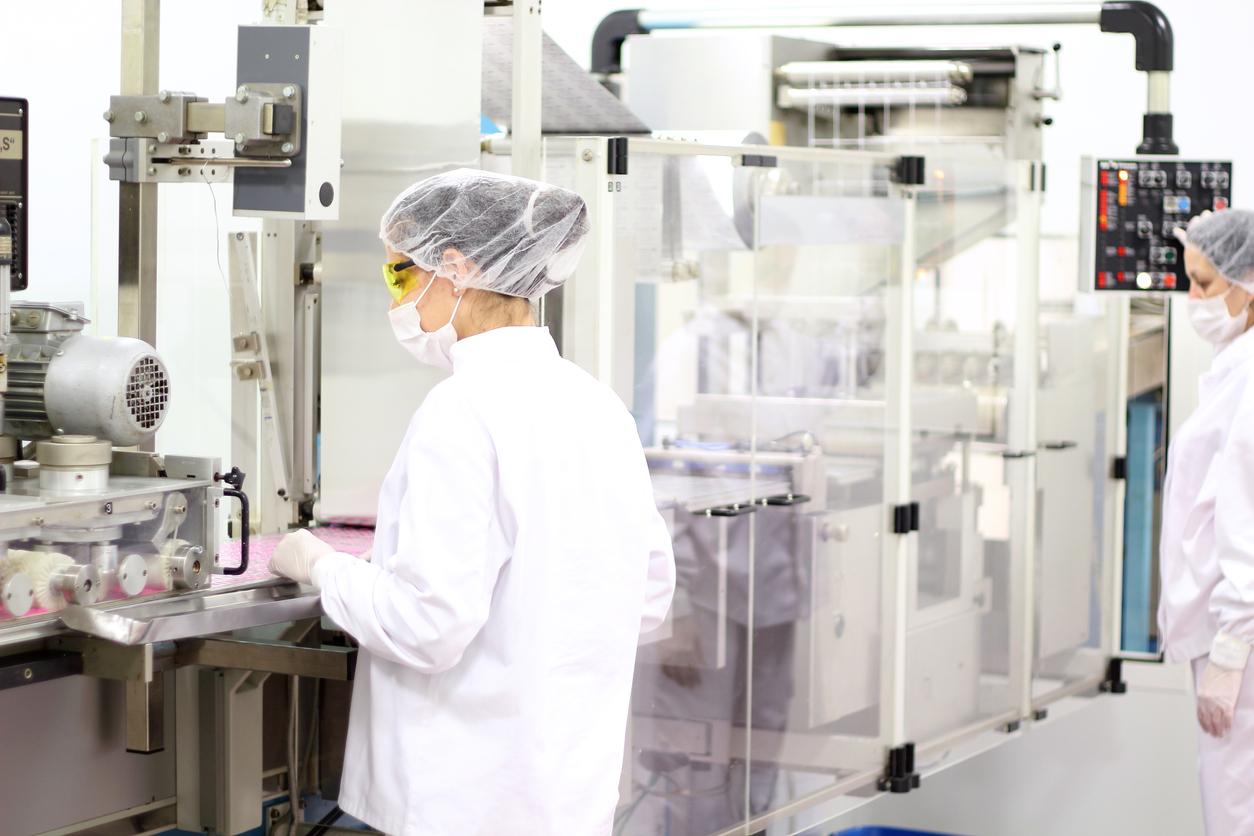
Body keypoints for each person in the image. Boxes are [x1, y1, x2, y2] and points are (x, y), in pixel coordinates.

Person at [269, 169, 677, 835]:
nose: (398, 300)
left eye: (400, 276)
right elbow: (649, 594)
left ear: (454, 268)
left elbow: (425, 627)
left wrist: (321, 566)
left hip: (461, 799)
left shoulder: (461, 412)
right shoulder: (596, 404)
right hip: (567, 795)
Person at [1159, 208, 1254, 835]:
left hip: (1239, 644)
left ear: (1247, 284)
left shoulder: (1249, 380)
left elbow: (1245, 521)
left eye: (1205, 283)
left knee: (1233, 806)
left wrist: (1229, 652)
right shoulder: (1233, 367)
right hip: (1232, 632)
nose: (1192, 298)